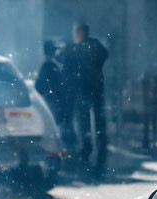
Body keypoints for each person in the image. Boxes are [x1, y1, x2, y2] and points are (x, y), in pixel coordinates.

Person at [60, 21, 108, 174]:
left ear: (80, 32)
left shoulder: (78, 48)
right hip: (92, 91)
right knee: (94, 127)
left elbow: (66, 65)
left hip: (85, 92)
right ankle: (94, 159)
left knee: (86, 126)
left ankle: (88, 157)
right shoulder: (93, 46)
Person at [34, 39, 64, 121]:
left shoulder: (47, 65)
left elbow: (38, 86)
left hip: (51, 100)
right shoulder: (50, 66)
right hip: (54, 101)